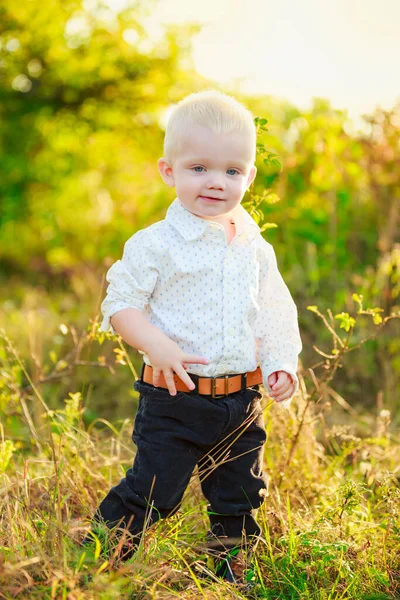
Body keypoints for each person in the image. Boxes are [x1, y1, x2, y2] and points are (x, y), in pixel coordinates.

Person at [83, 89, 302, 585]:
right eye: (198, 167)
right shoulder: (156, 244)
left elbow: (272, 308)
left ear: (248, 175)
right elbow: (120, 304)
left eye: (231, 171)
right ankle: (97, 558)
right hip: (175, 396)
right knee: (155, 489)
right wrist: (154, 344)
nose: (215, 182)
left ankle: (226, 571)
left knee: (240, 494)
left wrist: (280, 362)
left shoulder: (254, 246)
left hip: (241, 400)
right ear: (169, 170)